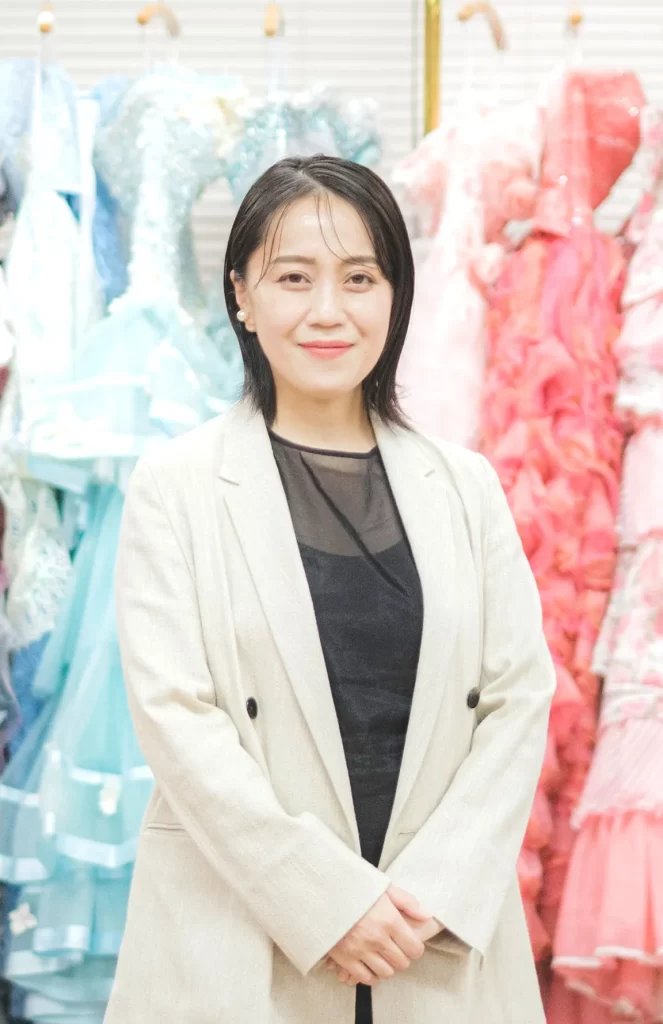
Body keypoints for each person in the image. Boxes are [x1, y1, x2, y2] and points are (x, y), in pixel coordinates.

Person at [105, 155, 555, 1024]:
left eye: (358, 278)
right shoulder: (177, 486)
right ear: (241, 295)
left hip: (429, 939)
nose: (327, 310)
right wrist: (325, 902)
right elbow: (177, 719)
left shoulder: (465, 486)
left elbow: (517, 698)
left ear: (394, 295)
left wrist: (427, 896)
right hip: (239, 935)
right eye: (293, 278)